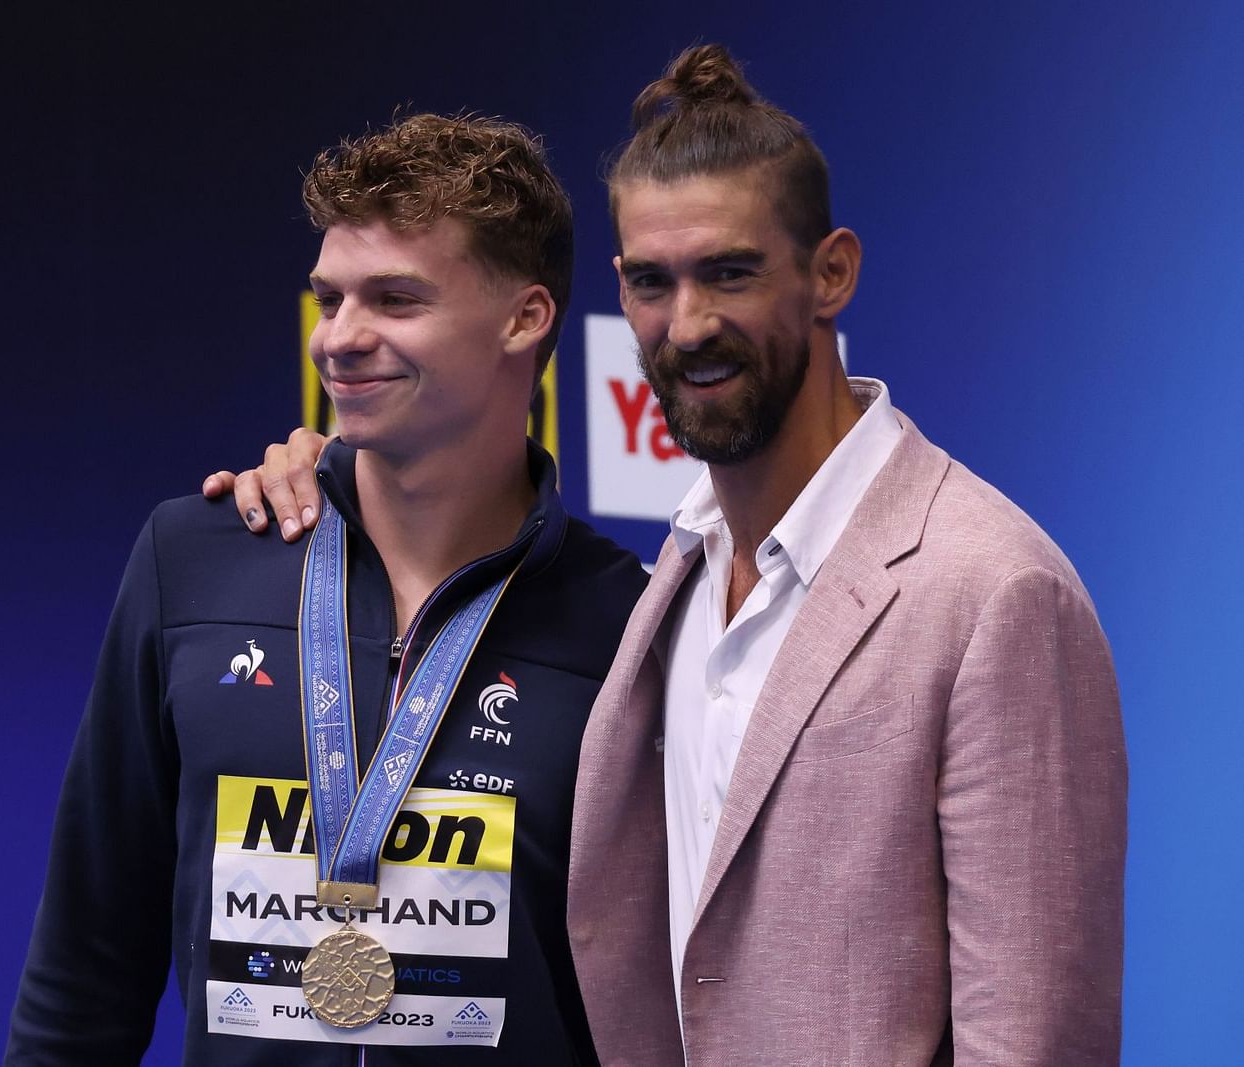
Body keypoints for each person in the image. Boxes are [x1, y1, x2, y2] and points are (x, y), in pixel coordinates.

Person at [210, 45, 1127, 1066]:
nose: (687, 324)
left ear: (831, 272)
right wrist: (328, 464)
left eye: (729, 272)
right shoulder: (664, 587)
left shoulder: (992, 587)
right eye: (653, 281)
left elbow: (1037, 1036)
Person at [5, 113, 645, 1064]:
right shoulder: (197, 558)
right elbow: (85, 973)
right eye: (328, 298)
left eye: (393, 298)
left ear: (525, 317)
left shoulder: (626, 621)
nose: (339, 339)